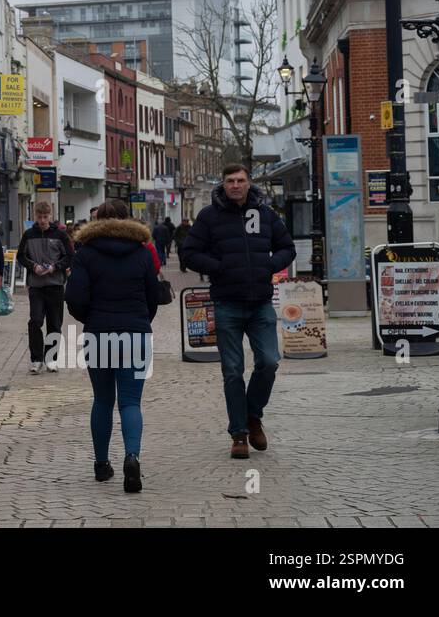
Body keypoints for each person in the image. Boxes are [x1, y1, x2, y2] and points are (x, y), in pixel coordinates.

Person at [181, 164, 296, 459]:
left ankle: (253, 415)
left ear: (249, 183)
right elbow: (189, 253)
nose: (235, 185)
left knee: (269, 362)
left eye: (240, 180)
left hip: (259, 302)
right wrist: (219, 268)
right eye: (230, 181)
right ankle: (239, 433)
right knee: (232, 371)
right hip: (227, 303)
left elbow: (287, 247)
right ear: (223, 184)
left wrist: (269, 266)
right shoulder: (209, 216)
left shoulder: (265, 213)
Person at [63, 198, 159, 493]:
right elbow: (152, 296)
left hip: (100, 333)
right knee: (130, 402)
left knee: (102, 401)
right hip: (135, 333)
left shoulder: (85, 253)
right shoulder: (142, 254)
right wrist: (141, 319)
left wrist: (90, 318)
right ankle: (132, 456)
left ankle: (102, 465)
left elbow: (74, 297)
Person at [18, 201, 73, 373]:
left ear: (50, 216)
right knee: (35, 321)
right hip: (36, 285)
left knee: (54, 323)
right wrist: (33, 266)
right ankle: (36, 359)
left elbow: (70, 256)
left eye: (45, 217)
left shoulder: (60, 235)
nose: (42, 220)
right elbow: (21, 255)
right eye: (39, 217)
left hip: (55, 285)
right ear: (35, 216)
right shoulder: (28, 235)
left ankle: (51, 359)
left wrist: (54, 267)